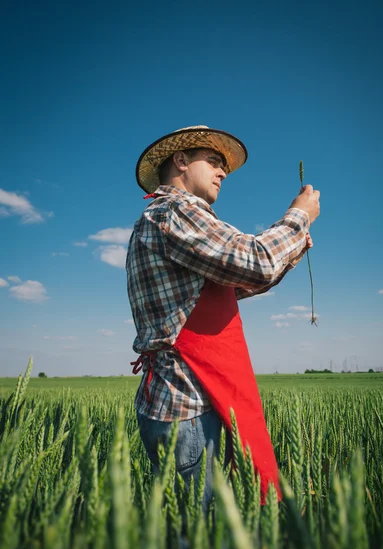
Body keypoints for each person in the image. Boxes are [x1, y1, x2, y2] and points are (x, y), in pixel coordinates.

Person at [126, 125, 320, 513]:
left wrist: (292, 249)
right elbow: (255, 262)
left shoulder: (157, 217)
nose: (222, 172)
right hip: (189, 406)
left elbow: (232, 286)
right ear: (180, 160)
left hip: (176, 404)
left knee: (195, 536)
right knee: (199, 545)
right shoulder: (176, 210)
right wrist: (298, 218)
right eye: (214, 161)